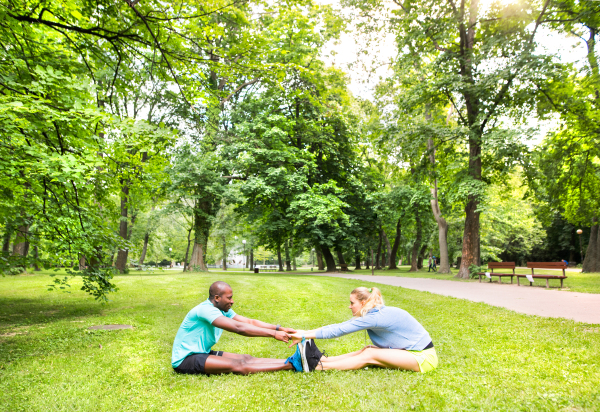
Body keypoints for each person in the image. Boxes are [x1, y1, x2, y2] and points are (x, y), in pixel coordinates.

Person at [289, 286, 438, 374]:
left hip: (423, 358)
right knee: (368, 348)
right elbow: (338, 326)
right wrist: (304, 332)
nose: (349, 306)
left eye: (352, 303)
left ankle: (319, 366)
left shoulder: (375, 316)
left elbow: (339, 331)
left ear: (363, 303)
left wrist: (303, 334)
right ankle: (323, 360)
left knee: (370, 354)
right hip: (412, 353)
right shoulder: (374, 312)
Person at [172, 281, 301, 375]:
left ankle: (291, 360)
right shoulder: (205, 310)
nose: (232, 301)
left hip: (202, 353)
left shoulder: (222, 309)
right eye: (229, 298)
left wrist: (279, 328)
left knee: (246, 358)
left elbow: (249, 321)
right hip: (186, 359)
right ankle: (293, 365)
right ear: (217, 298)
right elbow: (238, 327)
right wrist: (273, 334)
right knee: (239, 365)